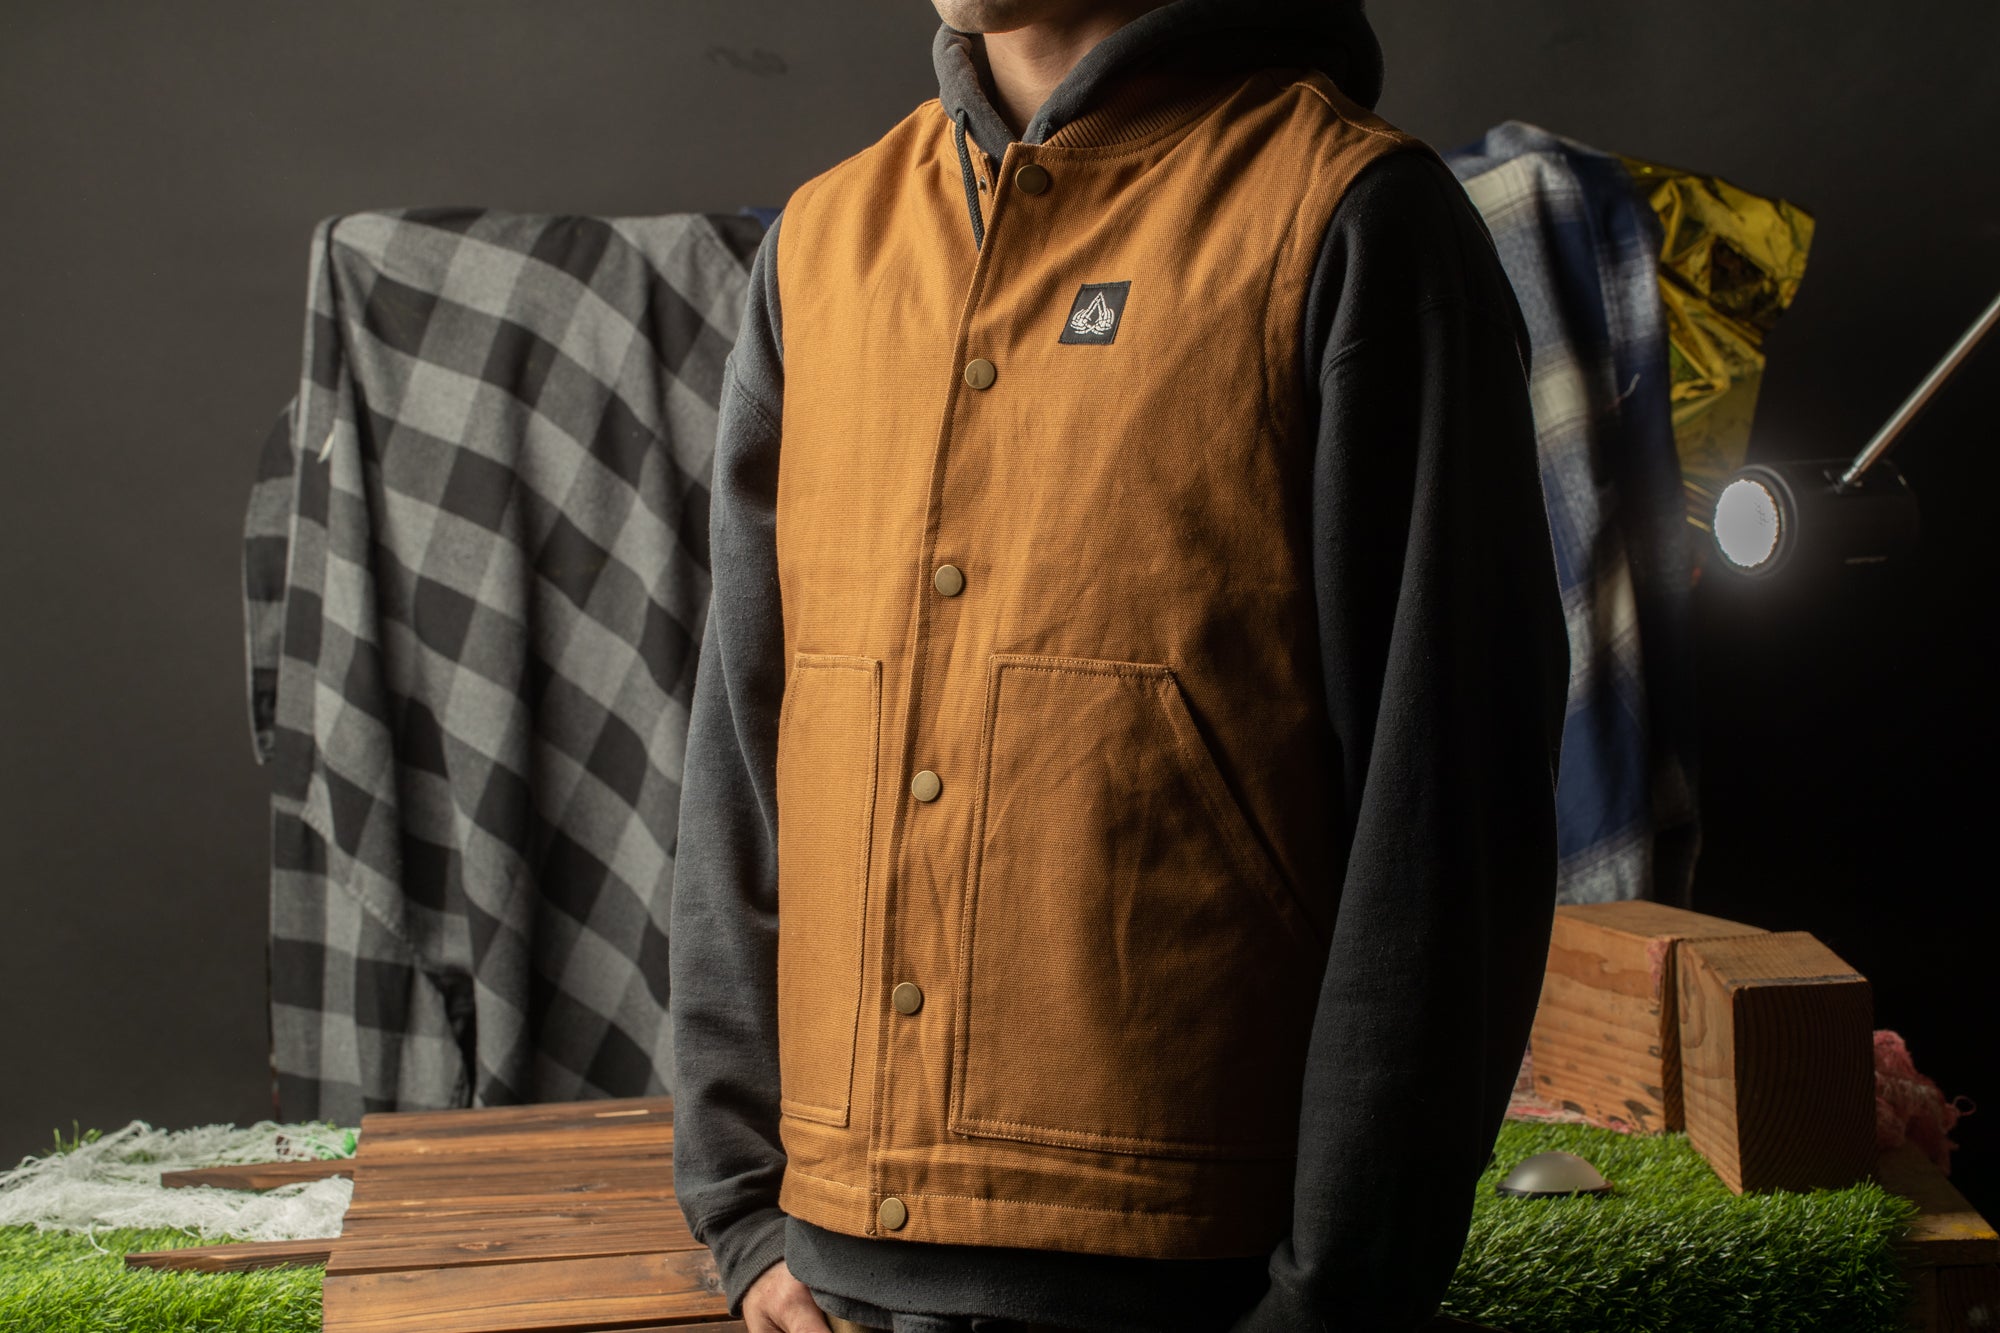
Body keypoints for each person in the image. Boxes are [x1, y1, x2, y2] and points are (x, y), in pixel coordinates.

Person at [667, 1, 1570, 1330]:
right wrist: (746, 1206)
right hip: (833, 1274)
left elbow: (1445, 819)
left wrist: (1337, 1297)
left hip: (1195, 1279)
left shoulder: (1352, 218)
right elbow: (747, 754)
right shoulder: (825, 247)